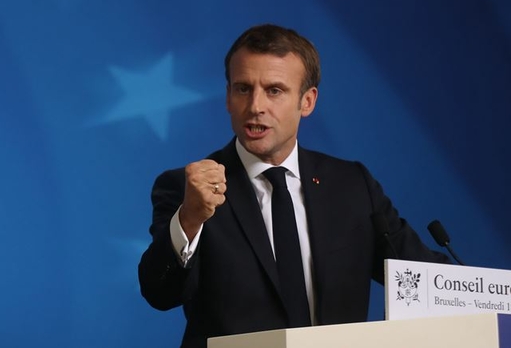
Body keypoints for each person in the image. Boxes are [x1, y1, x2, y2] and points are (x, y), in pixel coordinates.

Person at [138, 24, 449, 348]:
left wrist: (490, 296)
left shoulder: (353, 186)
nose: (256, 105)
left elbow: (421, 277)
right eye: (243, 88)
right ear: (228, 97)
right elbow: (160, 293)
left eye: (274, 90)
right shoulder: (186, 189)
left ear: (307, 101)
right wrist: (189, 218)